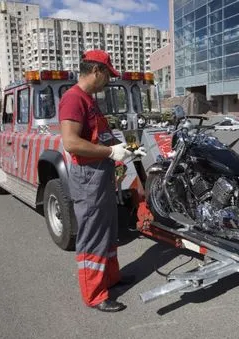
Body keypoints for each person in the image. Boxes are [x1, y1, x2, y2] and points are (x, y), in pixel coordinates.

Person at [59, 49, 146, 312]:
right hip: (88, 177)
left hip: (101, 174)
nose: (109, 79)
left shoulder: (89, 99)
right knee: (93, 236)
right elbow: (72, 142)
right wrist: (110, 152)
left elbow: (101, 136)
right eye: (108, 74)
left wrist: (125, 150)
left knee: (108, 230)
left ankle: (111, 279)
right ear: (96, 71)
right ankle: (95, 294)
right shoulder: (73, 99)